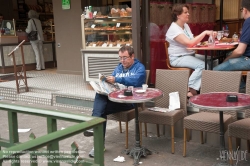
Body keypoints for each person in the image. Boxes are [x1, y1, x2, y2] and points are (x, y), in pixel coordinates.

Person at [84, 45, 146, 158]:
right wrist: (105, 85)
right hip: (116, 100)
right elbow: (112, 82)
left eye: (125, 57)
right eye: (120, 57)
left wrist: (117, 79)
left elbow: (137, 81)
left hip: (129, 102)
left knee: (99, 112)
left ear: (132, 56)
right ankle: (98, 145)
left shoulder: (139, 68)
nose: (122, 60)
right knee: (100, 100)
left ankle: (93, 127)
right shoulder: (118, 68)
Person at [166, 3, 216, 97]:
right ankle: (191, 90)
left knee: (212, 60)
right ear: (178, 15)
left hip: (188, 55)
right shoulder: (174, 29)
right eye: (185, 12)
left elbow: (192, 40)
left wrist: (204, 43)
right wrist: (205, 33)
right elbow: (190, 43)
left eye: (188, 12)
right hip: (178, 58)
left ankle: (208, 87)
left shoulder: (185, 26)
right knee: (202, 65)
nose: (188, 14)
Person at [213, 0, 250, 71]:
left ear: (245, 10)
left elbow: (240, 51)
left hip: (248, 60)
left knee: (214, 72)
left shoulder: (248, 21)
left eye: (241, 10)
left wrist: (227, 59)